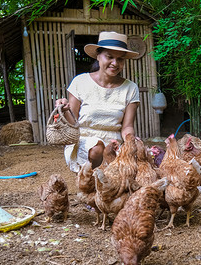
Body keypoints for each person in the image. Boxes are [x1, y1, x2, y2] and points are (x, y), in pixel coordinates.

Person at [55, 31, 140, 172]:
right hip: (83, 142)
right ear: (98, 56)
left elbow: (127, 127)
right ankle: (91, 178)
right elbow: (73, 122)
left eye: (120, 59)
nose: (115, 63)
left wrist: (131, 141)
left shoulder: (130, 88)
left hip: (114, 144)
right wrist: (64, 110)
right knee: (97, 149)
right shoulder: (80, 82)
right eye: (110, 57)